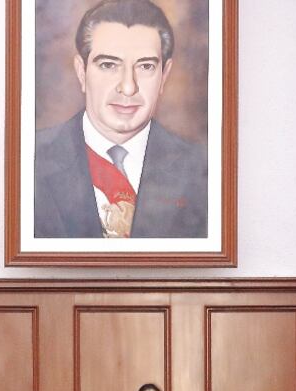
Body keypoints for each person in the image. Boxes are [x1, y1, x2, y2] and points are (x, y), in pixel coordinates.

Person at [34, 0, 207, 239]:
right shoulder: (29, 160)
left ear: (164, 75)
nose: (128, 87)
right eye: (108, 65)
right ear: (81, 72)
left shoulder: (204, 169)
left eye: (145, 66)